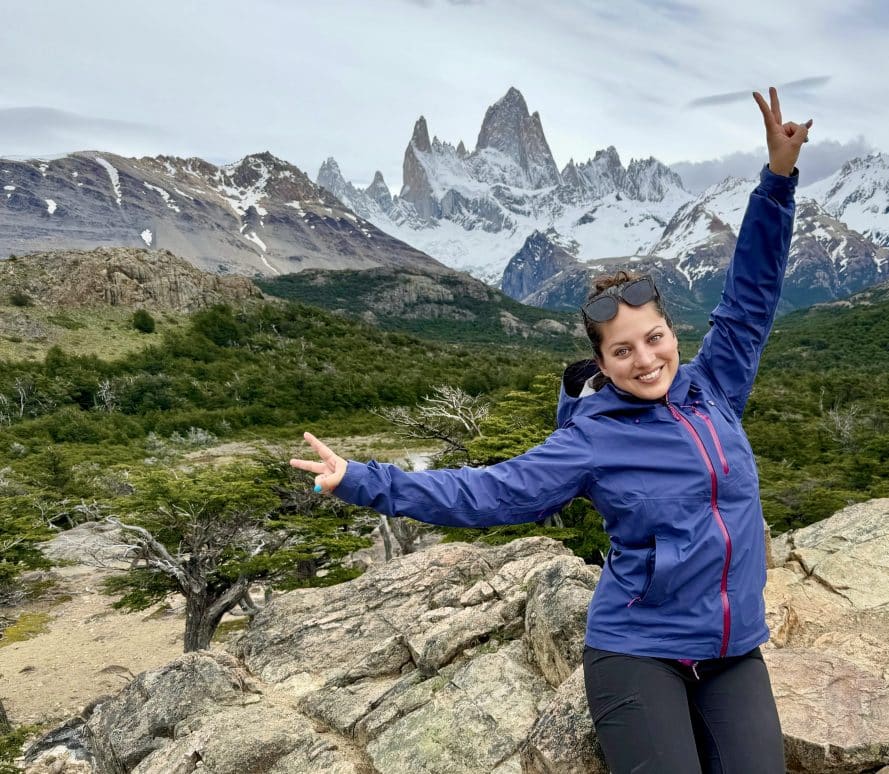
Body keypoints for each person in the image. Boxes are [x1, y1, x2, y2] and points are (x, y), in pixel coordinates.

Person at [291, 86, 810, 773]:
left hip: (731, 648)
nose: (645, 359)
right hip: (637, 650)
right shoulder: (590, 439)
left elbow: (753, 292)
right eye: (623, 351)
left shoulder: (714, 387)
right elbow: (486, 494)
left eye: (654, 339)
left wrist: (777, 179)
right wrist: (359, 479)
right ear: (600, 361)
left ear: (671, 333)